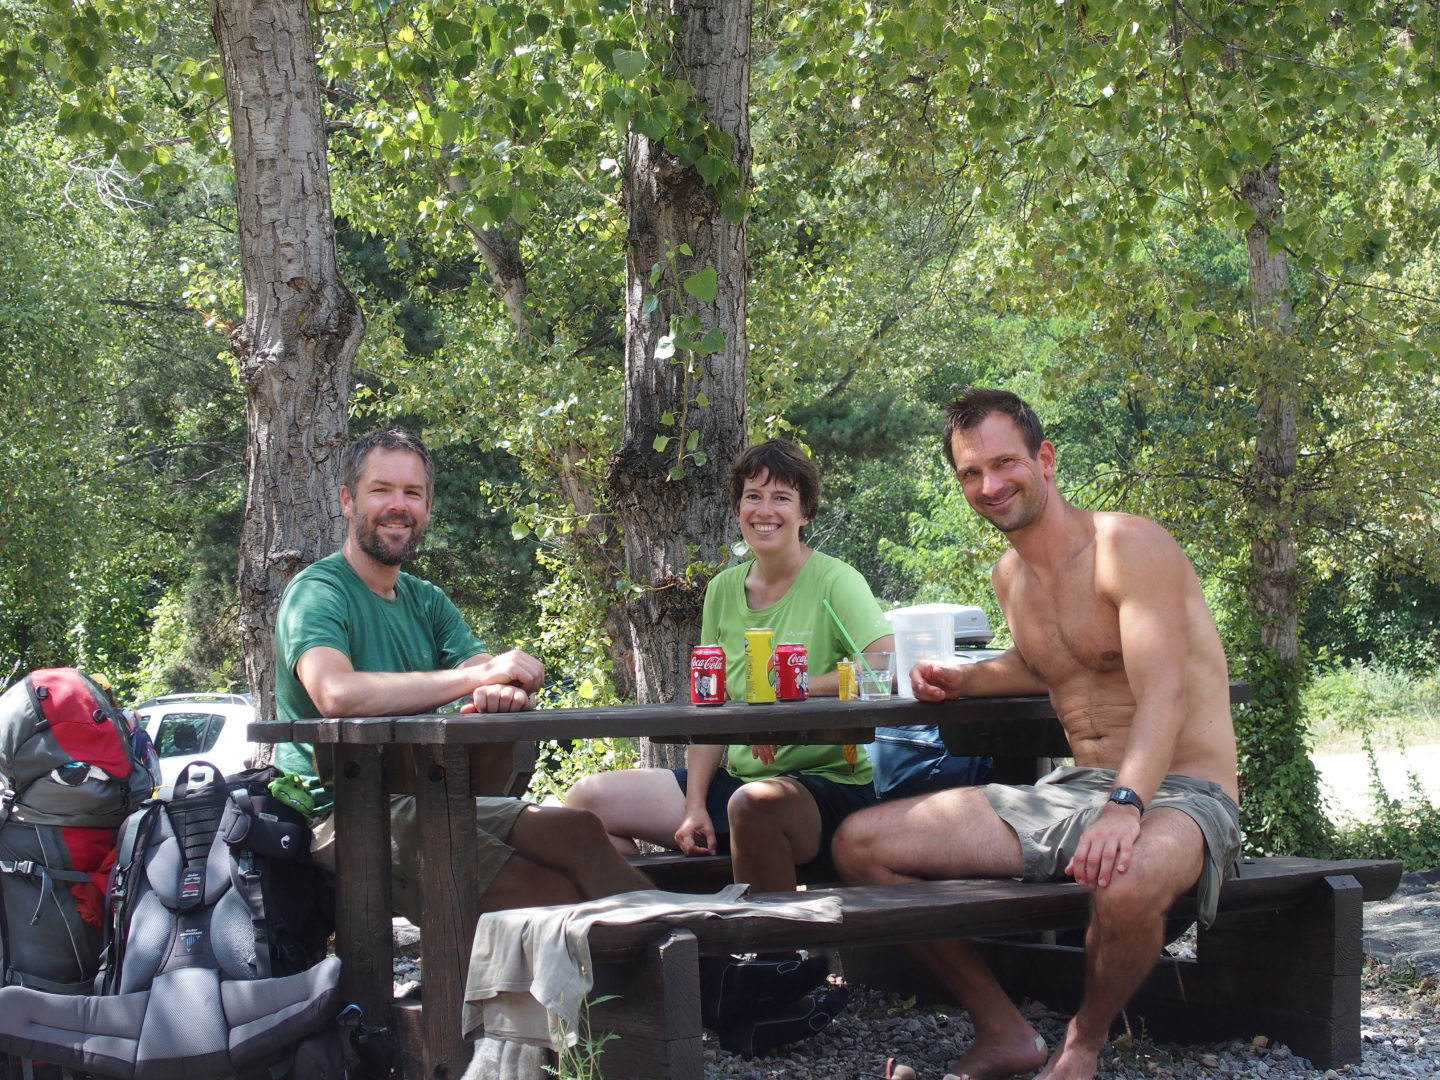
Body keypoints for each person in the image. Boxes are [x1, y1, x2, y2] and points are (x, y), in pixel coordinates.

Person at [831, 389, 1240, 1080]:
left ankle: (1082, 1044)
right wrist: (968, 679)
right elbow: (1049, 660)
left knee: (1127, 878)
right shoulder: (1011, 576)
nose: (990, 485)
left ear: (1044, 459)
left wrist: (1126, 806)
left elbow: (1162, 694)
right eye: (970, 473)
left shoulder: (1127, 547)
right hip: (1074, 791)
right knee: (860, 846)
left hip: (1181, 792)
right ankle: (1003, 1030)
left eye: (1004, 463)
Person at [273, 427, 650, 922]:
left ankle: (701, 961)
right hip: (333, 813)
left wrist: (503, 689)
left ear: (427, 508)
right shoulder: (317, 591)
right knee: (548, 893)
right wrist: (482, 677)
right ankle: (633, 984)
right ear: (348, 501)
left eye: (412, 493)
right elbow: (335, 694)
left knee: (578, 830)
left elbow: (483, 673)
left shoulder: (425, 600)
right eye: (381, 490)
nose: (398, 505)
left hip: (422, 796)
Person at [565, 438, 894, 893]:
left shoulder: (837, 581)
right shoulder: (721, 590)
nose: (765, 510)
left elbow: (883, 670)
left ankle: (778, 963)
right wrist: (694, 805)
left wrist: (791, 687)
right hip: (738, 781)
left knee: (751, 804)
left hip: (825, 787)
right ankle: (665, 940)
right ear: (737, 507)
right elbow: (710, 707)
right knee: (587, 802)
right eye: (752, 496)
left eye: (782, 497)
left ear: (805, 514)